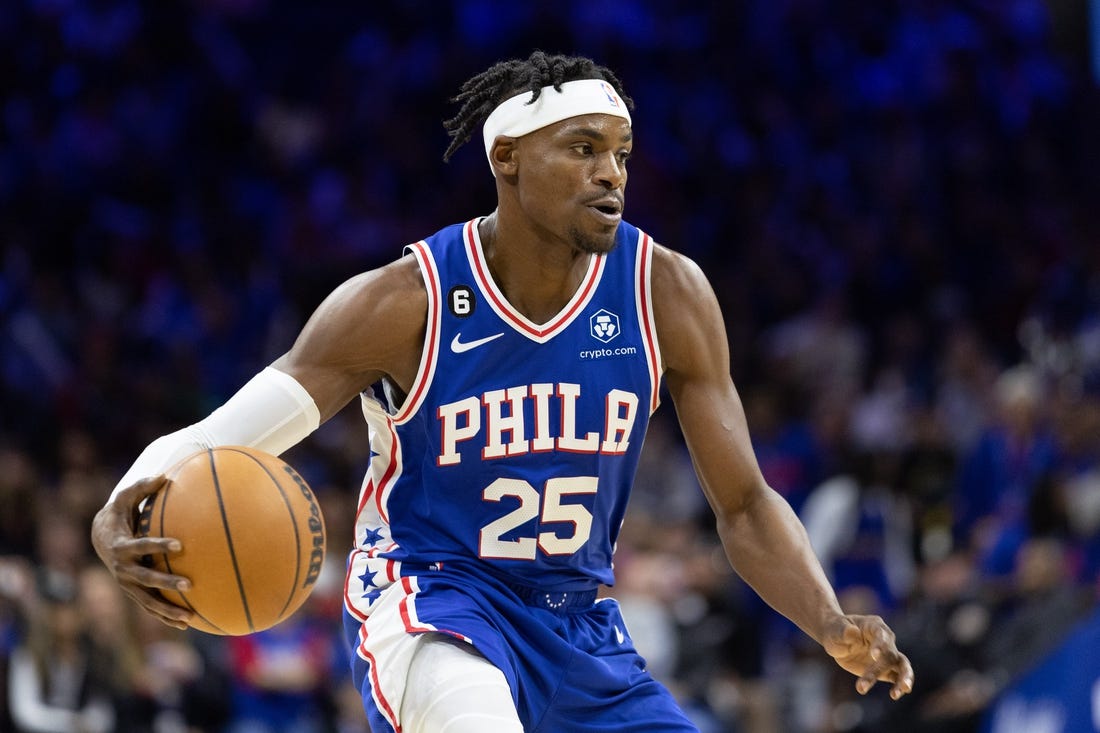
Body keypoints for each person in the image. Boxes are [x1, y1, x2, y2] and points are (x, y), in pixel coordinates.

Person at [91, 51, 914, 732]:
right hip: (433, 598)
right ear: (507, 157)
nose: (610, 174)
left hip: (581, 623)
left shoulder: (665, 291)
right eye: (583, 148)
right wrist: (121, 502)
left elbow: (743, 504)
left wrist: (830, 620)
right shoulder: (403, 301)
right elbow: (224, 436)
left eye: (621, 153)